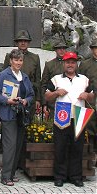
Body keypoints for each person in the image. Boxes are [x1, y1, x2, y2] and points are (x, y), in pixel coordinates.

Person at [45, 51, 96, 188]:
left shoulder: (84, 79)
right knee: (60, 147)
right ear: (64, 63)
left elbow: (92, 96)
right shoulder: (56, 79)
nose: (70, 65)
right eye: (68, 62)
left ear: (76, 64)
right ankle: (59, 176)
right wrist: (56, 93)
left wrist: (87, 95)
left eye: (73, 62)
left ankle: (76, 176)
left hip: (79, 115)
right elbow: (46, 96)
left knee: (77, 148)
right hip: (63, 115)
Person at [0, 49, 34, 186]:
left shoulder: (25, 77)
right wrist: (7, 101)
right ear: (10, 61)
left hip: (21, 115)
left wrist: (26, 100)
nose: (18, 63)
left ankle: (12, 173)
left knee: (18, 145)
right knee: (10, 145)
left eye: (20, 60)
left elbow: (31, 94)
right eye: (15, 60)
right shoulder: (3, 75)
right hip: (8, 114)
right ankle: (5, 176)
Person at [3, 30, 41, 116]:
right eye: (20, 41)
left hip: (28, 94)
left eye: (25, 41)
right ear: (16, 43)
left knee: (27, 122)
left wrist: (38, 99)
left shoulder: (35, 58)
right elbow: (5, 77)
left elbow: (38, 79)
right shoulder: (9, 56)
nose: (23, 43)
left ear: (29, 43)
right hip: (12, 94)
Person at [79, 40, 97, 156]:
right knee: (90, 128)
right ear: (92, 49)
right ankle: (91, 155)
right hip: (90, 100)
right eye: (96, 48)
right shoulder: (85, 64)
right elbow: (80, 81)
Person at [41, 39, 67, 118]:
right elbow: (44, 84)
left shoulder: (71, 64)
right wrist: (44, 103)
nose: (62, 50)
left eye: (63, 48)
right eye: (59, 48)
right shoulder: (49, 65)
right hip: (53, 101)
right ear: (55, 50)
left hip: (68, 100)